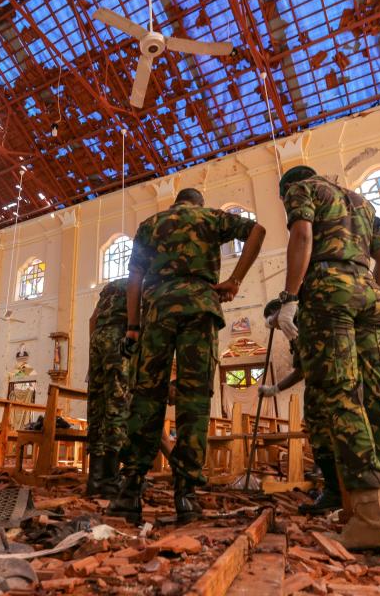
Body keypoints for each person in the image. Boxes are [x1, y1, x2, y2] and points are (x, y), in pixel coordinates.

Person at [107, 188, 265, 524]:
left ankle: (130, 489)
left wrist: (133, 326)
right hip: (200, 308)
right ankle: (185, 494)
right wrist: (234, 279)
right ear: (198, 203)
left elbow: (134, 277)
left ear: (176, 202)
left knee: (147, 395)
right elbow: (258, 230)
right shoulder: (210, 218)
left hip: (157, 312)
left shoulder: (151, 224)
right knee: (193, 399)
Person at [275, 165, 380, 556]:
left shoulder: (301, 189)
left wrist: (290, 297)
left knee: (341, 395)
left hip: (327, 289)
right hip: (368, 291)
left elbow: (302, 235)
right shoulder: (363, 203)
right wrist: (373, 299)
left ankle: (370, 520)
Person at [260, 298, 342, 515]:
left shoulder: (304, 317)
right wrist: (275, 389)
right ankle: (334, 490)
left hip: (332, 385)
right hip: (320, 387)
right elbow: (301, 370)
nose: (277, 328)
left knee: (333, 437)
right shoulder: (293, 328)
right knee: (320, 437)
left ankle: (342, 492)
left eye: (275, 323)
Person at [85, 277, 131, 498]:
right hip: (119, 337)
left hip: (97, 339)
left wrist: (94, 352)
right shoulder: (139, 285)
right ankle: (111, 482)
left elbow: (92, 319)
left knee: (96, 408)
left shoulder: (110, 287)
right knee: (117, 405)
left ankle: (94, 481)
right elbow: (137, 319)